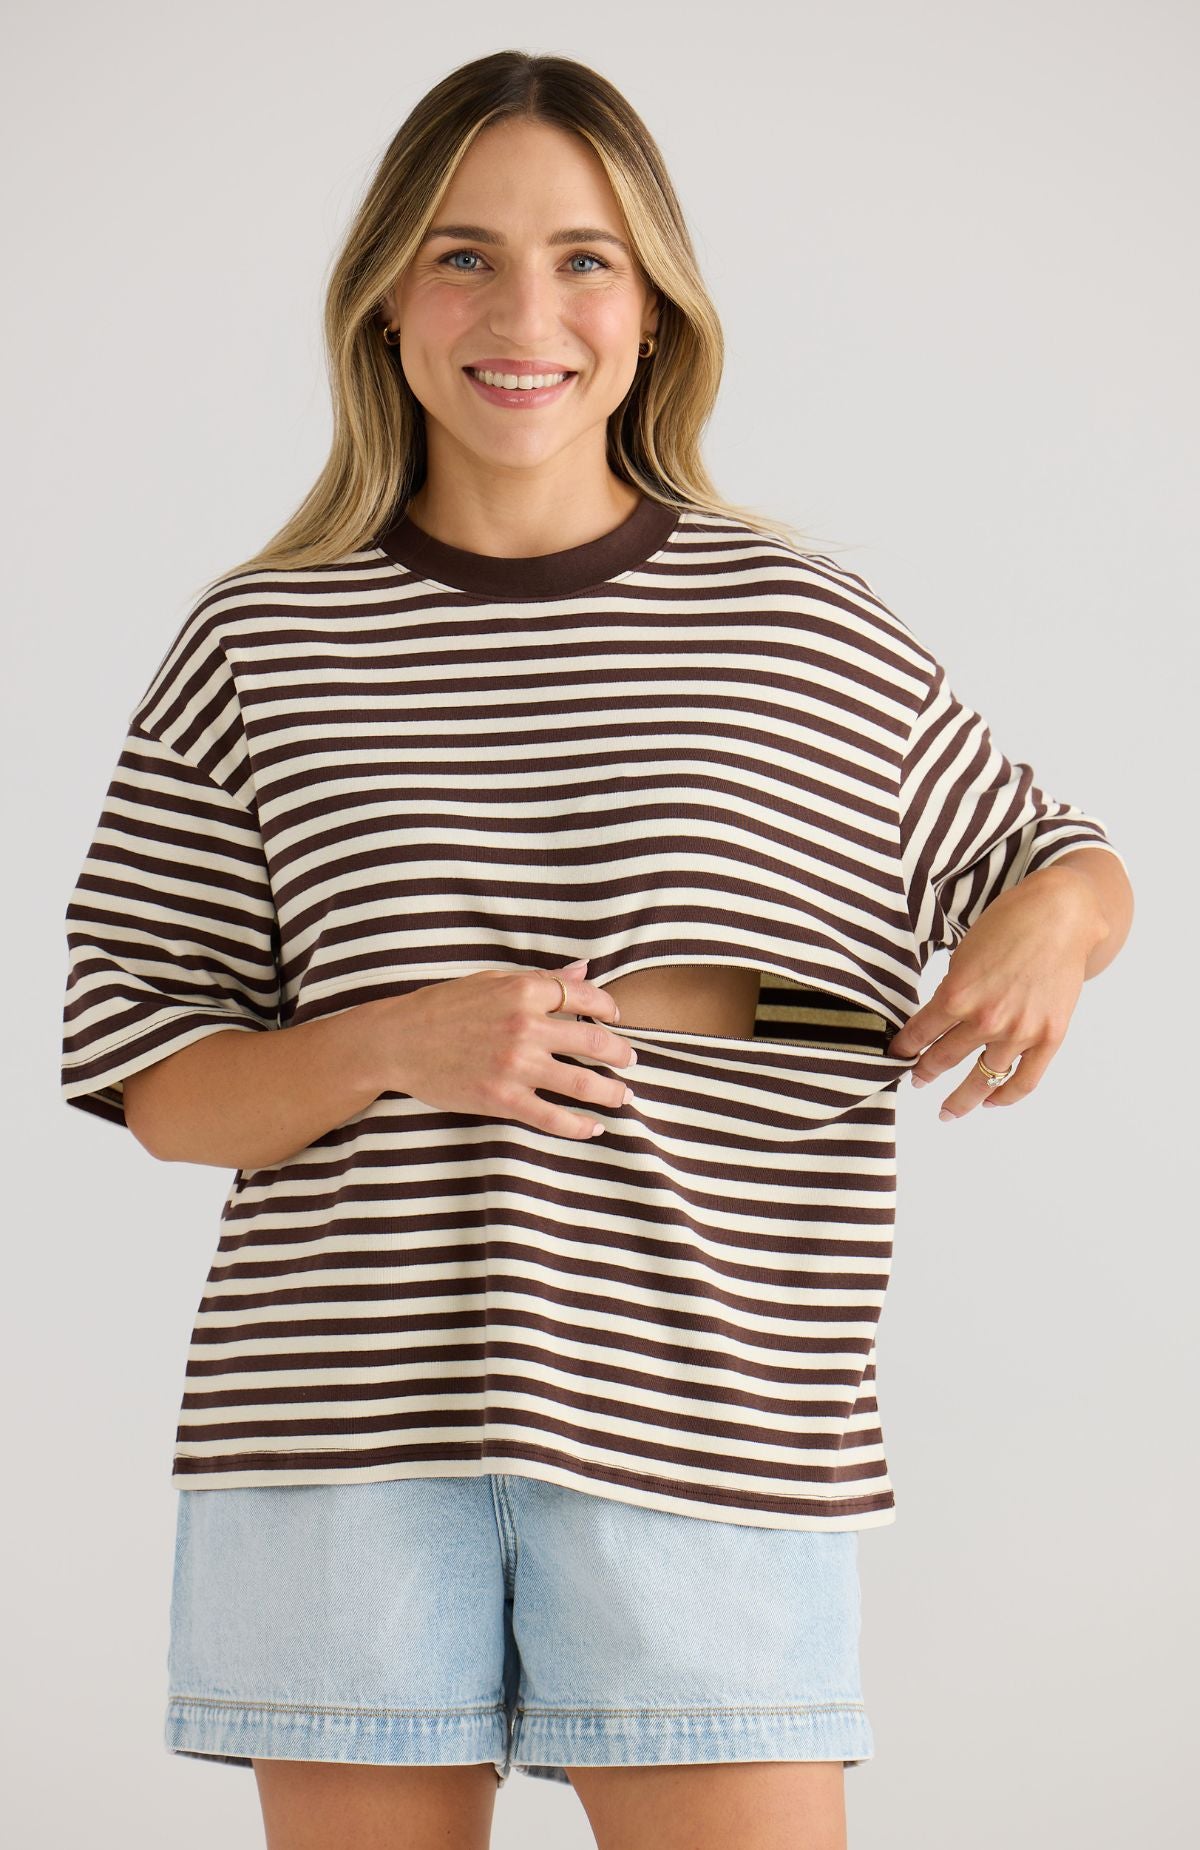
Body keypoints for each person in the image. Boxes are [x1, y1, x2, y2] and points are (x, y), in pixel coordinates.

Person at [59, 48, 1133, 1850]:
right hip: (339, 1441)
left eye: (586, 259)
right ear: (390, 298)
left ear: (653, 311)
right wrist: (404, 1041)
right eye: (465, 254)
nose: (525, 310)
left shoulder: (796, 619)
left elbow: (1064, 859)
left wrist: (1054, 922)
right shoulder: (262, 642)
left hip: (714, 1419)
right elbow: (156, 1078)